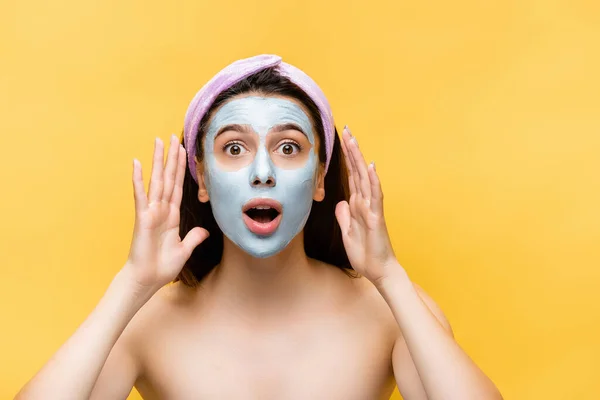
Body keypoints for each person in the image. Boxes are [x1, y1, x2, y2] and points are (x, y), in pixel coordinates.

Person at [15, 54, 503, 400]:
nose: (263, 171)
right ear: (201, 180)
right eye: (234, 148)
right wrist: (131, 284)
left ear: (318, 180)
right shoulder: (146, 324)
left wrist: (390, 275)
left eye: (289, 147)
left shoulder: (391, 313)